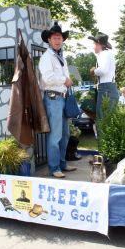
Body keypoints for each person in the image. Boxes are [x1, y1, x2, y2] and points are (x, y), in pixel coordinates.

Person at [39, 22, 77, 178]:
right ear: (49, 40)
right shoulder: (46, 57)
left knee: (65, 134)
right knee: (55, 136)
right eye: (54, 38)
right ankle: (54, 168)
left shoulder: (60, 57)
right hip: (53, 98)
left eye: (60, 38)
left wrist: (67, 82)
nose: (57, 40)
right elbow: (47, 78)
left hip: (62, 97)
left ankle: (61, 164)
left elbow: (64, 78)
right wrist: (64, 80)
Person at [88, 32, 119, 121]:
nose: (93, 46)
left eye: (94, 44)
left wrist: (93, 71)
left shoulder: (104, 54)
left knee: (103, 120)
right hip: (108, 87)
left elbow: (103, 70)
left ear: (98, 44)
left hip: (106, 88)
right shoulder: (107, 54)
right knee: (107, 119)